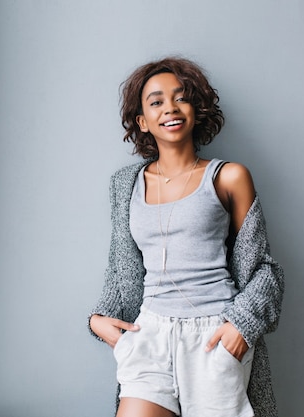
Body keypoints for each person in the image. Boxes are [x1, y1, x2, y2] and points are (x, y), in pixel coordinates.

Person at [88, 56, 284, 417]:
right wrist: (98, 319)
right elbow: (121, 264)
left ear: (196, 108)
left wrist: (241, 326)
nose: (171, 109)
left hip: (212, 335)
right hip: (150, 334)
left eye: (181, 97)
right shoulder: (125, 185)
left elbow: (264, 269)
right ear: (142, 122)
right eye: (156, 102)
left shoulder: (228, 177)